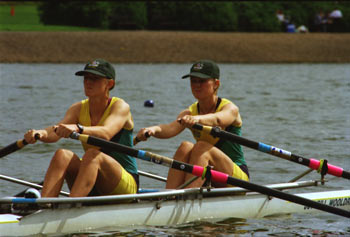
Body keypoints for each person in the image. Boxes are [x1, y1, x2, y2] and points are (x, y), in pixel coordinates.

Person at [24, 59, 138, 197]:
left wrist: (79, 128)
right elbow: (55, 132)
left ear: (109, 83)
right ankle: (45, 206)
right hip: (90, 179)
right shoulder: (78, 108)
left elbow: (106, 133)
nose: (88, 82)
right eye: (86, 78)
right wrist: (40, 133)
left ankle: (71, 205)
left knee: (91, 155)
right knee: (62, 155)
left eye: (94, 78)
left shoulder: (120, 106)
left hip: (124, 184)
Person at [136, 60, 249, 189]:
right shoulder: (190, 112)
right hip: (211, 176)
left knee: (201, 147)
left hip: (236, 179)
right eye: (193, 81)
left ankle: (188, 195)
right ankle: (169, 196)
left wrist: (197, 119)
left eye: (202, 81)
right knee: (185, 146)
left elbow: (218, 120)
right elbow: (169, 129)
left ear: (216, 84)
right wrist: (153, 129)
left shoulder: (230, 109)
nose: (196, 85)